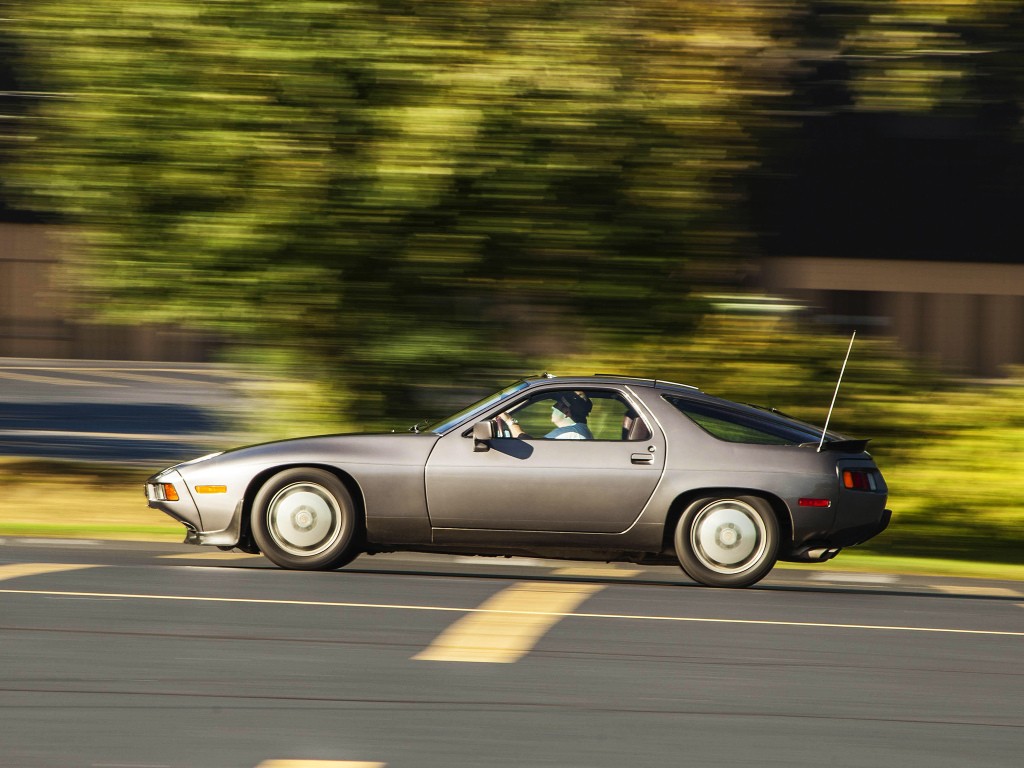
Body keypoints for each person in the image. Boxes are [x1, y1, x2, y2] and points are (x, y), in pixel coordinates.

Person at [501, 391, 593, 440]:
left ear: (566, 412)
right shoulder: (578, 430)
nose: (552, 407)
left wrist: (510, 421)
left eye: (558, 404)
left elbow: (533, 449)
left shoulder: (569, 433)